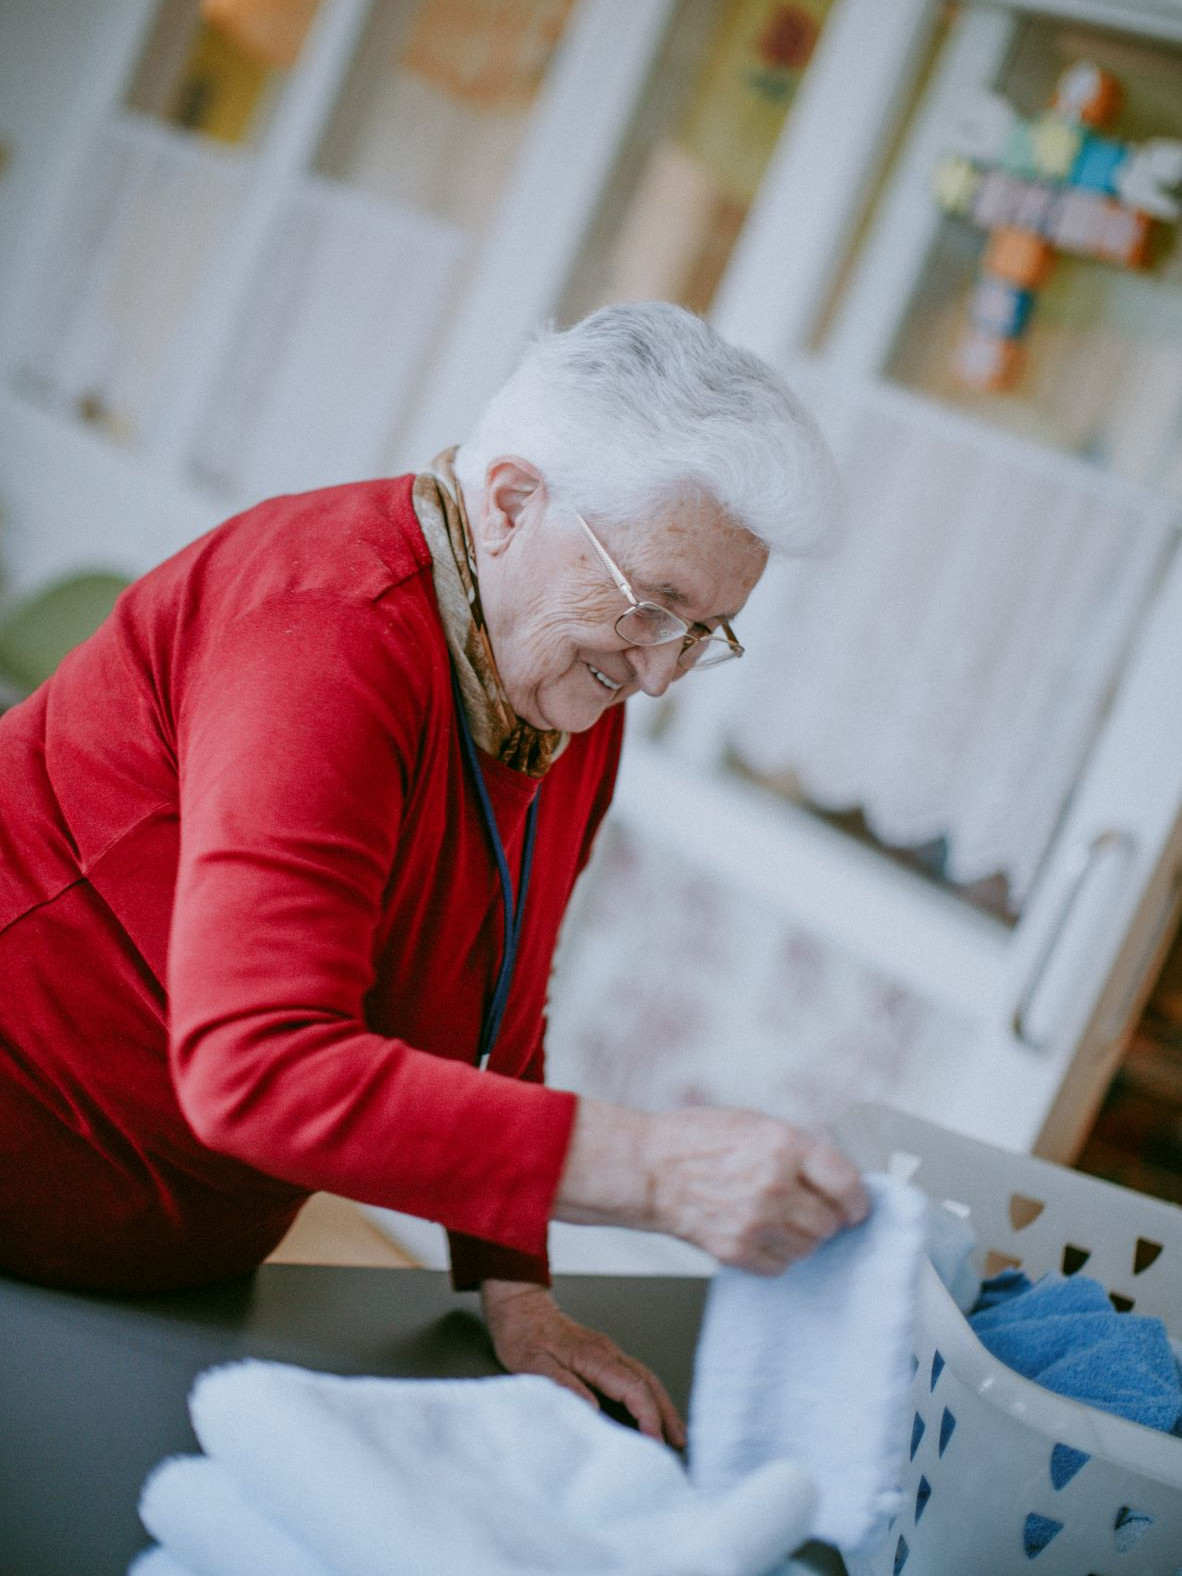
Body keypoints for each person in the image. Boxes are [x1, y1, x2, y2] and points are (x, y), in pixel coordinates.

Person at [0, 301, 868, 1448]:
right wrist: (652, 1170)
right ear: (510, 502)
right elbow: (255, 1065)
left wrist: (516, 1287)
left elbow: (502, 997)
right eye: (656, 604)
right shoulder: (324, 635)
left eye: (707, 630)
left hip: (163, 1268)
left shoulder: (561, 677)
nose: (662, 672)